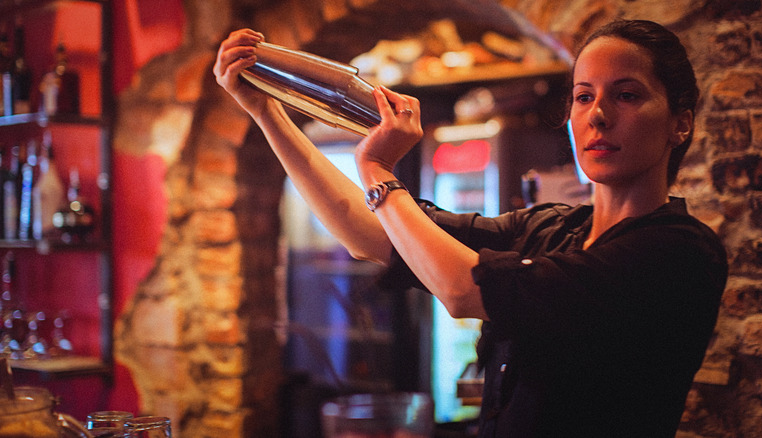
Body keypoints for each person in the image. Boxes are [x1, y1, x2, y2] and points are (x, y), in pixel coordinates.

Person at [214, 19, 727, 437]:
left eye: (627, 95)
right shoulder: (549, 229)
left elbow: (464, 290)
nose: (598, 115)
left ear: (680, 123)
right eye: (584, 96)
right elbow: (367, 232)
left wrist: (377, 171)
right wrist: (267, 112)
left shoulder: (677, 253)